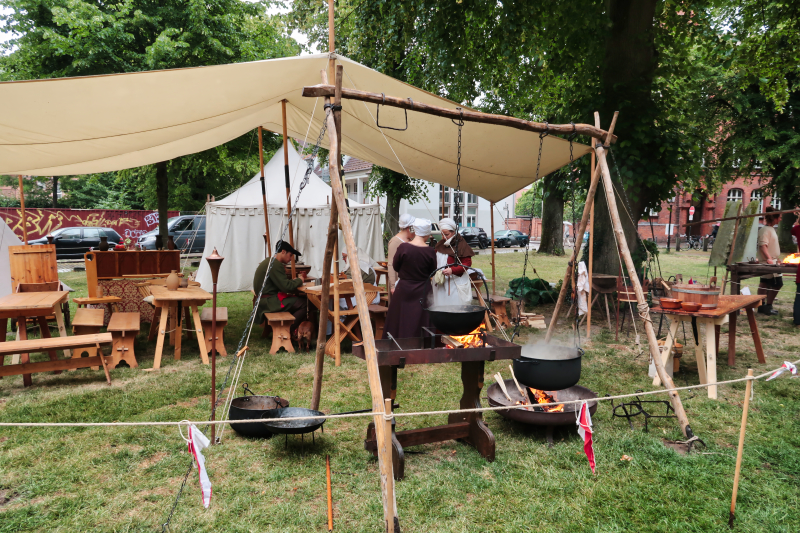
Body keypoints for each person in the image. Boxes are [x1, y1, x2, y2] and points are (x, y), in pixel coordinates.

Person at [383, 219, 437, 339]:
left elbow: (396, 266)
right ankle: (422, 344)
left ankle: (397, 343)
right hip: (423, 289)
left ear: (416, 231)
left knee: (400, 318)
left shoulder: (403, 248)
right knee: (421, 319)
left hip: (404, 288)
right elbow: (432, 271)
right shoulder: (430, 251)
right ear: (427, 234)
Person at [253, 240, 309, 333]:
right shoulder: (275, 264)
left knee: (297, 301)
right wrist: (300, 280)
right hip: (269, 302)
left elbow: (281, 284)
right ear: (283, 251)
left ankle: (292, 330)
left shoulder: (269, 261)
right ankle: (287, 331)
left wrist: (293, 282)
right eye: (290, 255)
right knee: (305, 304)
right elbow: (286, 287)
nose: (290, 258)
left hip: (264, 300)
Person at [432, 217, 475, 306]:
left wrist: (452, 270)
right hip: (441, 282)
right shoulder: (441, 244)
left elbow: (467, 264)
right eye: (442, 234)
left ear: (453, 232)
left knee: (455, 307)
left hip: (455, 283)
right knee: (440, 305)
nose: (444, 237)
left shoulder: (461, 245)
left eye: (446, 234)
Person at [756, 206, 782, 315]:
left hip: (772, 261)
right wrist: (769, 259)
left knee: (766, 283)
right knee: (775, 283)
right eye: (779, 217)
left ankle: (765, 306)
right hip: (768, 262)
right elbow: (763, 245)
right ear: (775, 218)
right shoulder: (765, 230)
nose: (780, 219)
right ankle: (764, 306)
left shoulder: (771, 229)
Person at [387, 214, 415, 294]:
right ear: (409, 228)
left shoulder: (410, 240)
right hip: (399, 282)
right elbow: (391, 264)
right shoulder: (395, 242)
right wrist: (393, 286)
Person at [791, 210, 800, 328]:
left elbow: (793, 230)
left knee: (799, 296)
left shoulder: (797, 229)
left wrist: (798, 219)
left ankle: (798, 321)